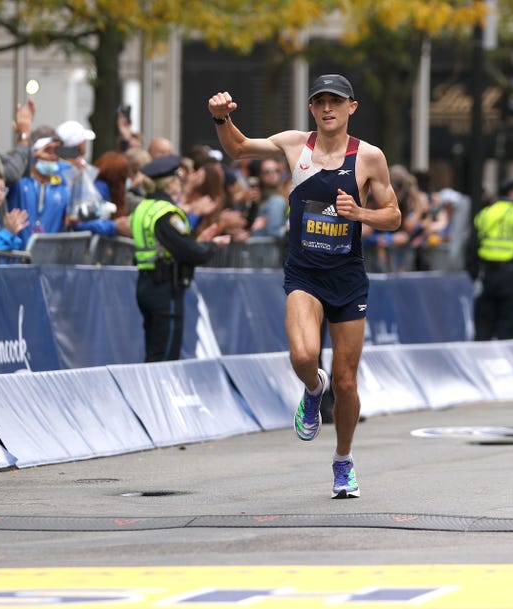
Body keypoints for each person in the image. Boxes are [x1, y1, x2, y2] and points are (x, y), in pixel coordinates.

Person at [209, 73, 402, 499]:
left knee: (347, 381)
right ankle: (313, 390)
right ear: (312, 108)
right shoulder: (295, 144)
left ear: (352, 107)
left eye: (336, 101)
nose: (327, 108)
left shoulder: (369, 158)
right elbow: (239, 148)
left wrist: (361, 215)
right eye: (320, 102)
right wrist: (221, 119)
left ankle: (343, 461)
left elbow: (393, 215)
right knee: (302, 355)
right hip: (305, 274)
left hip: (348, 278)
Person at [131, 154, 230, 362]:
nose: (180, 183)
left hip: (146, 283)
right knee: (165, 355)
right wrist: (211, 245)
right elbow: (190, 252)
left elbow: (173, 244)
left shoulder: (143, 207)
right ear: (170, 183)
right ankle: (158, 395)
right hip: (165, 287)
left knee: (153, 350)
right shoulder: (165, 213)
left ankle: (150, 393)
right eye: (178, 179)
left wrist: (198, 242)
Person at [465, 175, 513, 341]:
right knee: (509, 330)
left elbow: (471, 248)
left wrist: (475, 274)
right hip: (511, 278)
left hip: (486, 277)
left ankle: (480, 363)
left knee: (483, 328)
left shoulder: (485, 213)